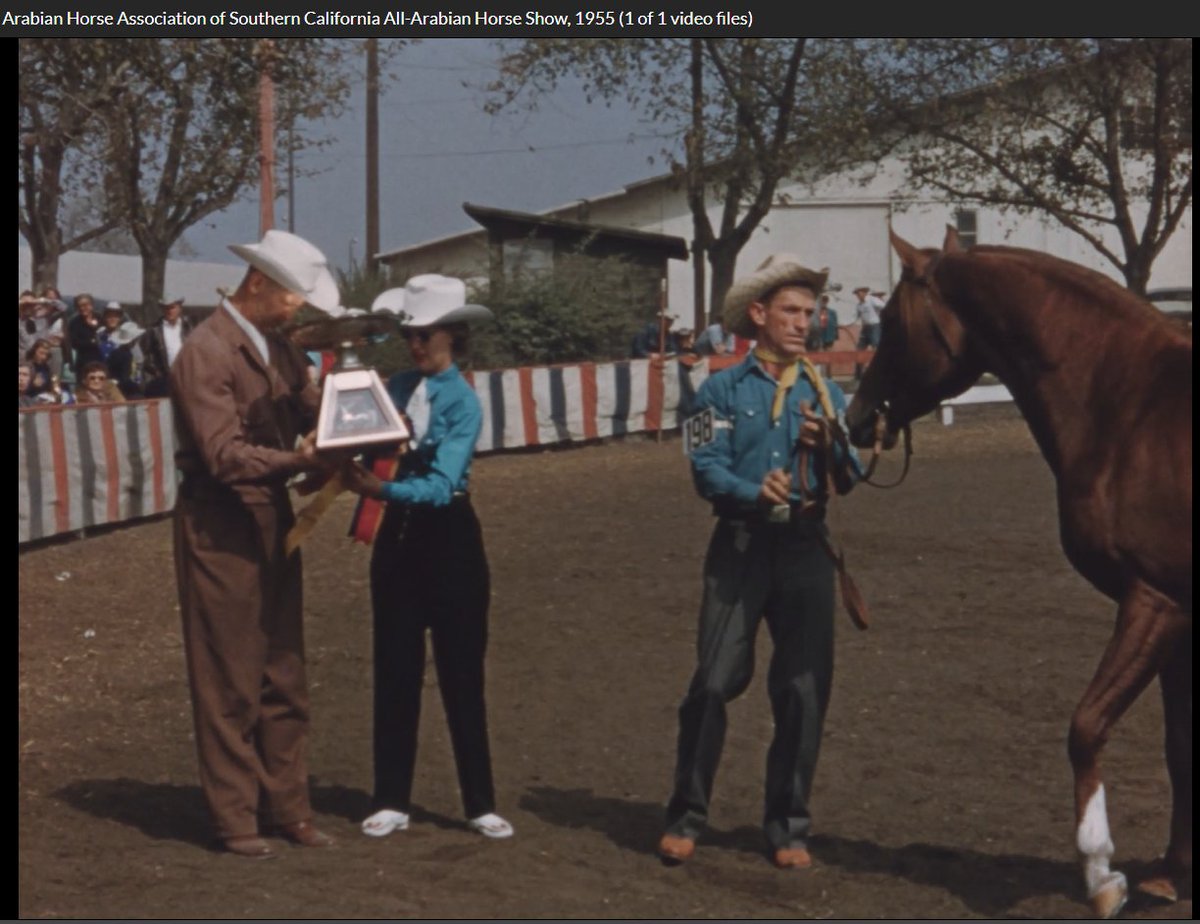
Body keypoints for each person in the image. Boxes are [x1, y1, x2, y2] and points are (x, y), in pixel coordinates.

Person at [657, 253, 861, 871]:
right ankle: (686, 816)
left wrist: (830, 445)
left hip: (806, 548)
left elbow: (852, 474)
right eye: (790, 311)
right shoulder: (717, 390)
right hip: (741, 548)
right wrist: (753, 491)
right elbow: (704, 470)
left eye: (809, 312)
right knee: (712, 683)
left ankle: (788, 826)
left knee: (803, 690)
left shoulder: (827, 392)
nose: (804, 322)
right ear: (759, 314)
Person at [170, 228, 342, 860]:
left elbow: (311, 408)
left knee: (283, 670)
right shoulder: (206, 351)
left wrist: (346, 418)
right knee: (229, 676)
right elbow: (222, 455)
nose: (298, 308)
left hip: (269, 516)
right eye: (294, 296)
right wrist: (299, 460)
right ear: (259, 283)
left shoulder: (279, 348)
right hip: (220, 523)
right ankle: (235, 817)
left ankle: (288, 808)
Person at [341, 274, 513, 842]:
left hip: (449, 540)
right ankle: (391, 797)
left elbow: (442, 484)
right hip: (397, 540)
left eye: (425, 335)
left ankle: (479, 801)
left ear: (452, 336)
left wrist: (381, 490)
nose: (415, 345)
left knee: (462, 671)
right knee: (394, 666)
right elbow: (359, 436)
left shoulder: (463, 402)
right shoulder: (394, 387)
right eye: (410, 336)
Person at [140, 295, 195, 398]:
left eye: (172, 307)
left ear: (179, 308)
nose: (169, 311)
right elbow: (147, 353)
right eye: (166, 308)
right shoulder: (155, 330)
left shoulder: (188, 326)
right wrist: (156, 373)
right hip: (165, 379)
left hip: (186, 377)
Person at [66, 292, 103, 375]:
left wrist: (93, 328)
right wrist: (92, 342)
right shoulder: (74, 322)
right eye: (79, 306)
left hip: (101, 360)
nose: (82, 308)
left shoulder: (100, 318)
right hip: (84, 361)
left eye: (85, 305)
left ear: (92, 305)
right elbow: (74, 343)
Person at [852, 286, 884, 350]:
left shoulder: (872, 300)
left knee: (875, 343)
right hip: (865, 326)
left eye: (859, 293)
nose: (858, 296)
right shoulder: (859, 305)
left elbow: (883, 306)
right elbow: (856, 317)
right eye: (857, 294)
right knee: (861, 345)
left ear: (864, 293)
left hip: (874, 325)